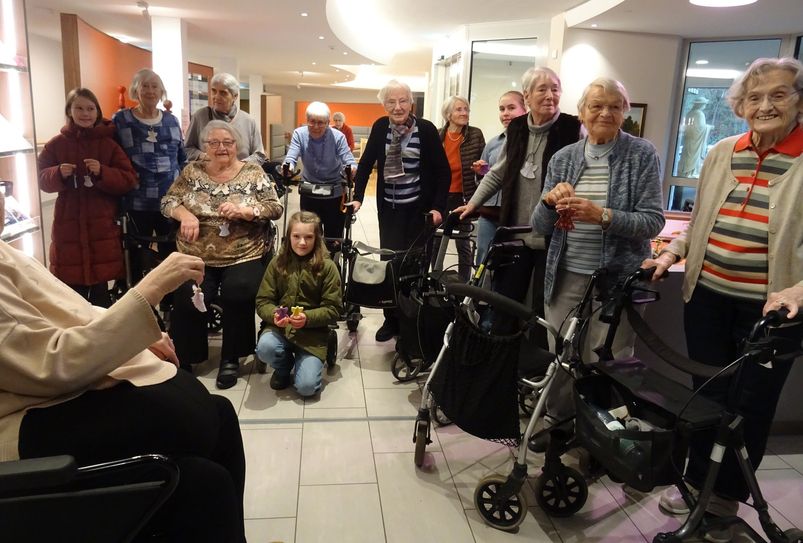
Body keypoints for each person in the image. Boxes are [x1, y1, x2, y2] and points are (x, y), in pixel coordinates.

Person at [0, 188, 247, 542]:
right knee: (205, 482)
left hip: (55, 390)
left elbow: (74, 312)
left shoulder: (6, 252)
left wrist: (140, 330)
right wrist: (148, 292)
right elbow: (48, 365)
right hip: (23, 417)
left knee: (218, 415)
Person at [642, 57, 803, 534]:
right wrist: (670, 254)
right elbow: (701, 222)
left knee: (749, 405)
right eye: (754, 97)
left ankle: (724, 500)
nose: (765, 105)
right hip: (707, 297)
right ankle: (697, 483)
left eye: (779, 94)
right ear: (740, 106)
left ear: (800, 101)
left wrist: (798, 289)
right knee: (708, 396)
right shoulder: (722, 151)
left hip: (771, 314)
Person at [531, 77, 665, 445]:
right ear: (582, 113)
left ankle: (603, 438)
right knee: (561, 353)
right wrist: (546, 202)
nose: (605, 112)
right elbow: (540, 225)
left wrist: (602, 215)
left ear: (625, 112)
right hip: (566, 275)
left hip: (616, 282)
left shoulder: (641, 155)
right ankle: (560, 424)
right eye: (596, 106)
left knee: (609, 360)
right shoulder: (564, 158)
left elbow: (653, 221)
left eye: (614, 106)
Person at [457, 67, 582, 337]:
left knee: (542, 306)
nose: (550, 95)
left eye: (555, 88)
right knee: (506, 301)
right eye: (542, 89)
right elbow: (499, 172)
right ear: (527, 95)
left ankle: (537, 367)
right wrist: (473, 204)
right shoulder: (516, 129)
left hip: (555, 238)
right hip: (516, 234)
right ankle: (503, 362)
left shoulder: (573, 129)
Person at [162, 120, 283, 389]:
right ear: (205, 146)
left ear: (237, 145)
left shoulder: (253, 173)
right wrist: (184, 215)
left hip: (244, 252)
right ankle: (188, 355)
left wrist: (246, 211)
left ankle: (232, 356)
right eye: (214, 143)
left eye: (227, 143)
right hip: (196, 253)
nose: (221, 148)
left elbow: (274, 207)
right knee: (186, 292)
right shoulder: (191, 172)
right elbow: (168, 201)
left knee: (239, 290)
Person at [351, 79, 450, 342]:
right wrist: (358, 197)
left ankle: (413, 320)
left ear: (411, 103)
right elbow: (366, 164)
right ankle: (391, 320)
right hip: (391, 211)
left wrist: (439, 207)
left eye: (402, 101)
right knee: (391, 265)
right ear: (384, 106)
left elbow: (442, 171)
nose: (398, 107)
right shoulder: (380, 127)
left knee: (417, 265)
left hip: (419, 212)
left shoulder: (425, 130)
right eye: (391, 102)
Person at [38, 87, 138, 308]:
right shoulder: (56, 144)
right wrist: (57, 173)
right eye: (79, 108)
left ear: (98, 111)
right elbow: (41, 178)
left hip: (101, 224)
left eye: (91, 108)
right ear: (69, 111)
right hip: (68, 225)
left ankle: (103, 337)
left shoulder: (109, 144)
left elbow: (129, 179)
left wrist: (103, 172)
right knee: (71, 293)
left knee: (101, 291)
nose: (85, 113)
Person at [255, 211, 343, 396]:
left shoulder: (327, 268)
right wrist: (274, 315)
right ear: (289, 237)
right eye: (296, 236)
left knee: (307, 388)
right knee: (264, 348)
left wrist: (307, 318)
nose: (302, 242)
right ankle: (283, 367)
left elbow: (333, 309)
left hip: (313, 335)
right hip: (279, 329)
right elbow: (263, 301)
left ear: (317, 239)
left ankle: (311, 360)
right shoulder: (277, 263)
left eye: (308, 237)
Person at [113, 68, 187, 268]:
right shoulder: (122, 120)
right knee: (139, 256)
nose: (150, 91)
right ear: (136, 90)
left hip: (170, 200)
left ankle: (171, 298)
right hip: (137, 200)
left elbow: (182, 157)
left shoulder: (171, 121)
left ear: (161, 92)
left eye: (155, 86)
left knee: (171, 253)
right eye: (145, 86)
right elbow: (113, 157)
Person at [284, 102, 357, 239]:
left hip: (334, 194)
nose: (316, 126)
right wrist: (288, 168)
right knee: (310, 236)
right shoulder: (299, 134)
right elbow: (291, 157)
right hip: (309, 192)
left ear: (328, 122)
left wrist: (352, 169)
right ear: (307, 121)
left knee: (334, 238)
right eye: (312, 122)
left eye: (321, 123)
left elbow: (349, 160)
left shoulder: (338, 136)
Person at [470, 90, 527, 265]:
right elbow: (486, 179)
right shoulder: (493, 143)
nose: (506, 113)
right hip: (489, 212)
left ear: (525, 109)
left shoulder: (528, 141)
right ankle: (478, 292)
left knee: (507, 259)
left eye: (511, 108)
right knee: (483, 255)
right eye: (502, 109)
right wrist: (481, 173)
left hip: (512, 213)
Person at [438, 96, 485, 281]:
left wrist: (481, 169)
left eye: (466, 109)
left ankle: (463, 284)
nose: (464, 113)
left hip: (465, 197)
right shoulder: (438, 134)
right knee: (436, 242)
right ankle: (435, 281)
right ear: (448, 114)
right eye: (459, 109)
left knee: (463, 243)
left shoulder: (475, 134)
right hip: (441, 196)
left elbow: (486, 168)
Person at [184, 72, 266, 164]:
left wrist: (239, 166)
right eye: (214, 91)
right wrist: (203, 156)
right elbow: (187, 149)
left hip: (242, 175)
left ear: (235, 96)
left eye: (223, 93)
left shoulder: (248, 121)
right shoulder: (200, 116)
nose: (216, 97)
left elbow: (259, 155)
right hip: (207, 174)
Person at [677, 95, 710, 177]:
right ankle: (690, 172)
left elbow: (689, 127)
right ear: (701, 105)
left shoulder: (690, 113)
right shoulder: (699, 114)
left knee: (687, 156)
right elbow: (701, 127)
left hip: (689, 139)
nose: (705, 106)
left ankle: (686, 171)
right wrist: (708, 127)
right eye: (704, 104)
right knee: (691, 157)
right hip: (694, 140)